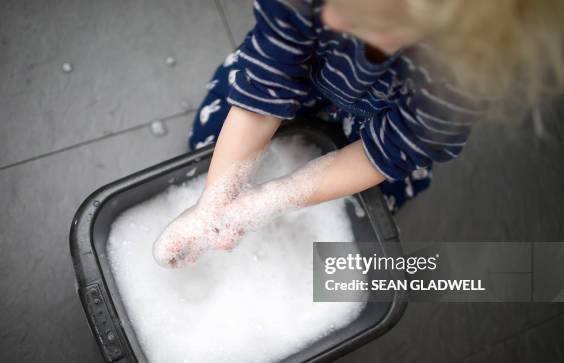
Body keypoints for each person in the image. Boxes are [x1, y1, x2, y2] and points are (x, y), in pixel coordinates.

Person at [153, 0, 564, 268]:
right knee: (217, 139)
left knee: (363, 202)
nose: (329, 17)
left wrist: (273, 198)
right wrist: (215, 204)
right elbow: (268, 80)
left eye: (366, 19)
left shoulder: (464, 77)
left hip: (375, 126)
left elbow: (386, 151)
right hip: (305, 85)